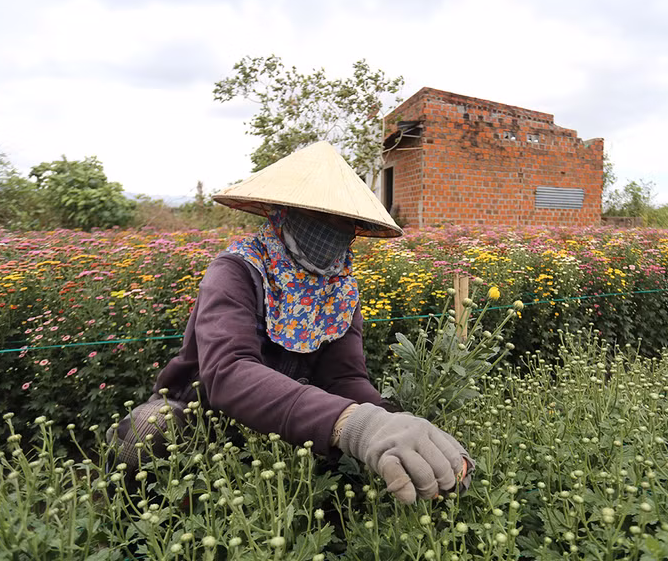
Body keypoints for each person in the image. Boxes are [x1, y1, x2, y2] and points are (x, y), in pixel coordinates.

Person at [108, 142, 472, 504]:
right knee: (149, 428)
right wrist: (354, 425)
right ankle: (128, 520)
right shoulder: (236, 270)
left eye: (346, 223)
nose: (336, 230)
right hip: (205, 416)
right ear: (285, 212)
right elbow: (229, 372)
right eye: (322, 217)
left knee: (349, 480)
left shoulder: (339, 289)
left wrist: (388, 422)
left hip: (293, 420)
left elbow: (343, 378)